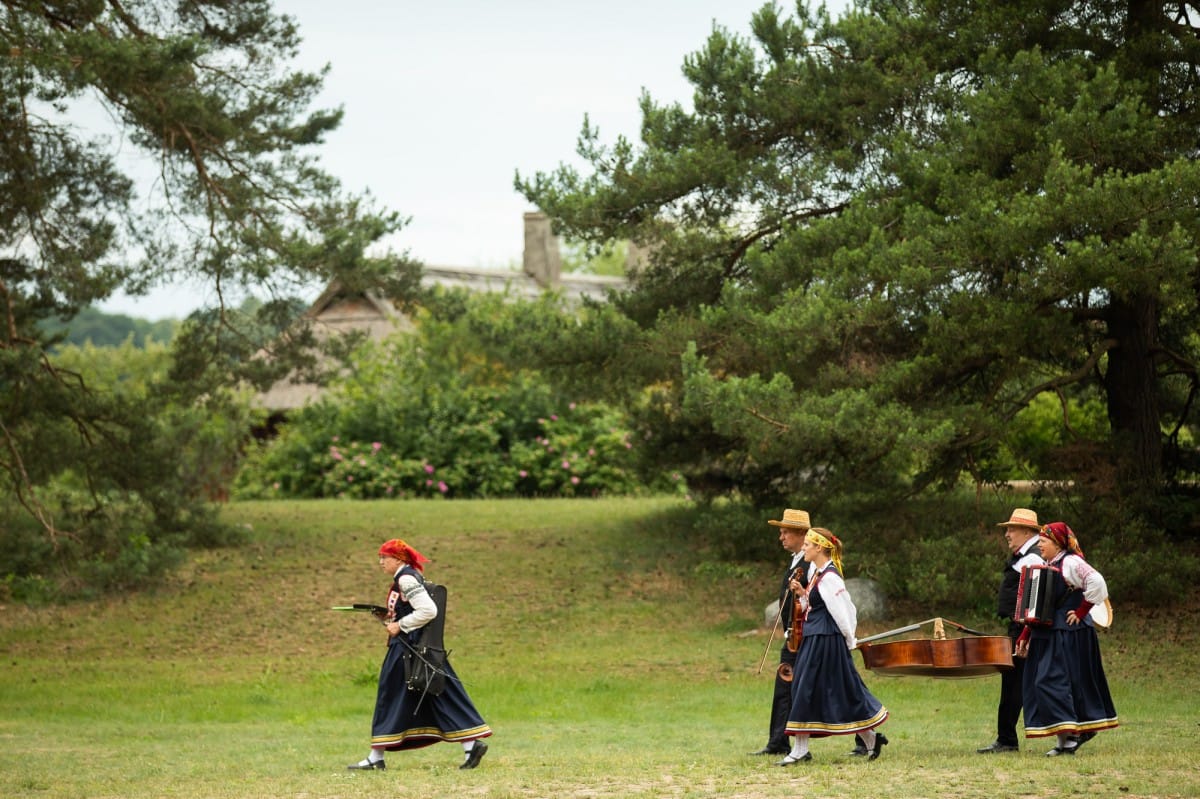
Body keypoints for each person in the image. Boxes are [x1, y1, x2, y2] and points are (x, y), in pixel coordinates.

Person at [347, 538, 492, 771]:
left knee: (389, 696)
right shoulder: (405, 578)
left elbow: (428, 610)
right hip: (414, 649)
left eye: (384, 557)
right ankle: (471, 745)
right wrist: (390, 617)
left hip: (407, 650)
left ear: (399, 559)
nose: (381, 562)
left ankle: (376, 758)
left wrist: (400, 625)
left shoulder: (405, 579)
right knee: (438, 695)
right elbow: (413, 609)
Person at [779, 527, 889, 765]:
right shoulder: (817, 574)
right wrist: (802, 593)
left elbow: (844, 611)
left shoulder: (829, 577)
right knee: (827, 689)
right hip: (815, 637)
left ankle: (799, 751)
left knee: (810, 688)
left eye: (807, 545)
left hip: (826, 640)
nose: (804, 549)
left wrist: (850, 639)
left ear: (819, 547)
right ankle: (871, 739)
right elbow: (814, 607)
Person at [1014, 522, 1118, 756]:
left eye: (1044, 541)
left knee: (1054, 682)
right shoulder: (1046, 566)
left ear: (1058, 543)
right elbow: (1039, 607)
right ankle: (1065, 740)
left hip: (1068, 634)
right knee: (1044, 683)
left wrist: (1081, 611)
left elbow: (1097, 582)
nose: (1040, 544)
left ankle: (1072, 737)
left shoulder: (1071, 562)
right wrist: (1026, 633)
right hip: (1047, 634)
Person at [977, 508, 1045, 754]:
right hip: (1020, 627)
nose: (1007, 534)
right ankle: (1006, 738)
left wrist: (1026, 632)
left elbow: (1035, 601)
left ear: (1027, 532)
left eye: (1011, 529)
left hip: (1027, 630)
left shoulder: (1033, 558)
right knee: (1017, 683)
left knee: (1020, 683)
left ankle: (1007, 739)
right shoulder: (1026, 556)